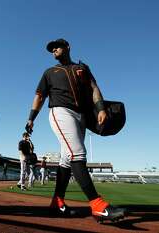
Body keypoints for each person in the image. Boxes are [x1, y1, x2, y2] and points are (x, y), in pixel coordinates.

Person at [25, 38, 126, 222]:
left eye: (57, 46)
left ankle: (57, 203)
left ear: (67, 47)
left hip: (82, 116)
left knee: (66, 159)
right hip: (61, 112)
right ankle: (97, 205)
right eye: (52, 49)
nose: (54, 49)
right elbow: (39, 96)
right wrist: (31, 119)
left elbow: (94, 88)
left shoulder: (82, 68)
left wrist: (101, 107)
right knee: (78, 153)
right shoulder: (50, 72)